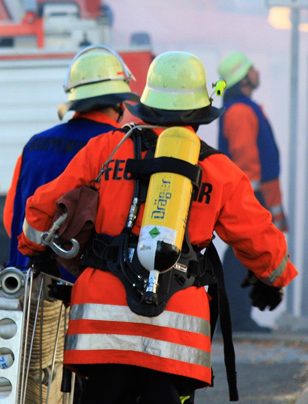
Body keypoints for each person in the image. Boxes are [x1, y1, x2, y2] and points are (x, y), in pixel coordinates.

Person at [18, 51, 297, 403]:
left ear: (146, 105)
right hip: (175, 338)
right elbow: (259, 237)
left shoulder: (105, 149)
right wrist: (274, 279)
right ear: (198, 114)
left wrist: (35, 251)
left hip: (101, 333)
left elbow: (41, 210)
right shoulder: (218, 170)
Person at [4, 44, 139, 277]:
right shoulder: (121, 148)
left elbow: (11, 220)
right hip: (84, 290)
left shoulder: (34, 145)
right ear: (120, 103)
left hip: (25, 286)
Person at [217, 50, 286, 333]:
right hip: (247, 198)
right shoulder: (241, 111)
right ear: (244, 78)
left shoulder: (243, 108)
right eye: (252, 68)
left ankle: (236, 316)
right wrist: (255, 203)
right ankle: (236, 317)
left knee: (241, 256)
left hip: (250, 197)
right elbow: (246, 161)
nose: (257, 71)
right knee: (240, 256)